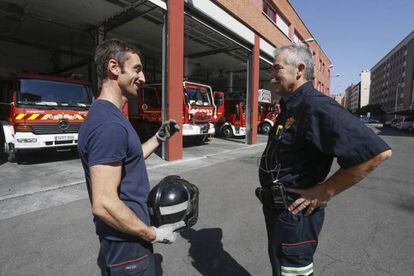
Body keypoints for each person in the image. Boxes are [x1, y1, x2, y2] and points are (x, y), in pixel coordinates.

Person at [257, 43, 391, 276]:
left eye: (276, 68)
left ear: (299, 69)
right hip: (278, 212)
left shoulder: (316, 106)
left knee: (292, 271)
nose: (271, 75)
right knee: (279, 269)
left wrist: (325, 191)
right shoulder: (291, 107)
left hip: (296, 215)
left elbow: (377, 153)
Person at [78, 38, 183, 276]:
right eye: (137, 69)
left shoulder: (110, 117)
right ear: (114, 68)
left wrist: (159, 138)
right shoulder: (108, 125)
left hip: (128, 238)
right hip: (127, 247)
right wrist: (152, 233)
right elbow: (104, 204)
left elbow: (130, 159)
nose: (143, 78)